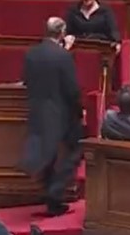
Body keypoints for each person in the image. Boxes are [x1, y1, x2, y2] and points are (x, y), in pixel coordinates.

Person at [19, 17, 83, 216]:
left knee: (48, 155)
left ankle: (51, 198)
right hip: (60, 113)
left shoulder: (31, 53)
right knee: (77, 148)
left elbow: (27, 81)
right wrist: (79, 111)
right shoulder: (63, 56)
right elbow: (72, 89)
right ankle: (54, 193)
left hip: (37, 110)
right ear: (62, 33)